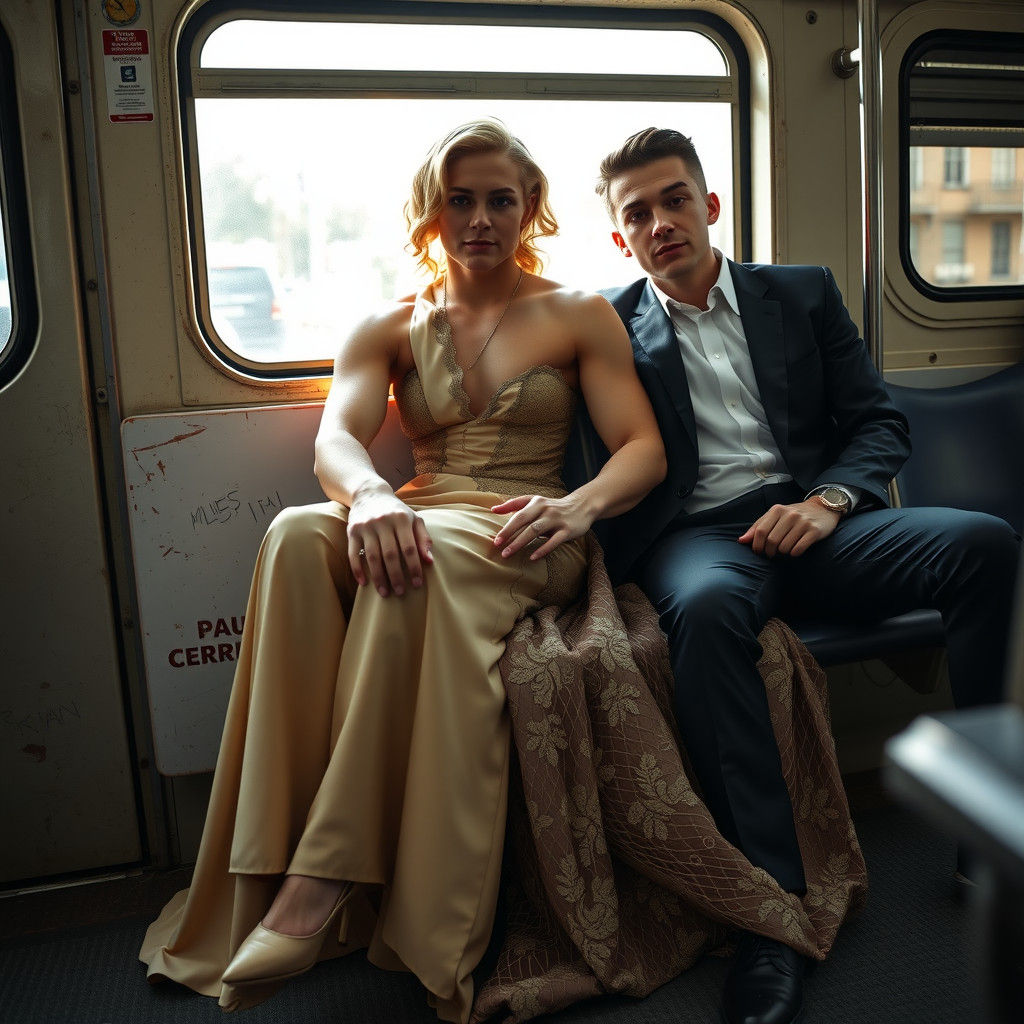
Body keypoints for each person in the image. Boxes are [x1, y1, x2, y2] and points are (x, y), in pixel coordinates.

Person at [138, 119, 667, 1023]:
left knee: (420, 561)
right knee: (301, 536)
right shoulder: (387, 325)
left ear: (530, 209)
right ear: (432, 210)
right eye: (460, 199)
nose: (481, 218)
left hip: (525, 526)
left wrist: (577, 507)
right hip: (420, 509)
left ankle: (323, 882)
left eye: (502, 199)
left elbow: (641, 448)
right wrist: (372, 498)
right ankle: (260, 870)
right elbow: (336, 439)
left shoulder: (576, 311)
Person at [578, 127, 1022, 1024]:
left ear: (709, 207)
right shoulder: (608, 329)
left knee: (984, 543)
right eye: (637, 214)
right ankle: (771, 920)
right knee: (702, 613)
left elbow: (877, 423)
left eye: (673, 200)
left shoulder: (802, 293)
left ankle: (990, 835)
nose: (660, 223)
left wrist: (828, 500)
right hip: (701, 536)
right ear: (620, 238)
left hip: (817, 520)